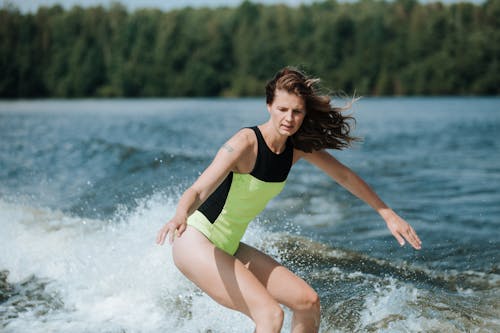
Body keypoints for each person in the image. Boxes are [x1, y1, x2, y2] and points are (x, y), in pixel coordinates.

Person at [156, 67, 422, 333]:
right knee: (270, 316)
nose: (289, 118)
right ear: (269, 106)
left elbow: (344, 176)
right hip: (195, 241)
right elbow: (199, 190)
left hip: (229, 245)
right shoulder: (245, 142)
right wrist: (181, 213)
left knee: (308, 302)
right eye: (282, 109)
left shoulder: (296, 149)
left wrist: (386, 213)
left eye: (297, 111)